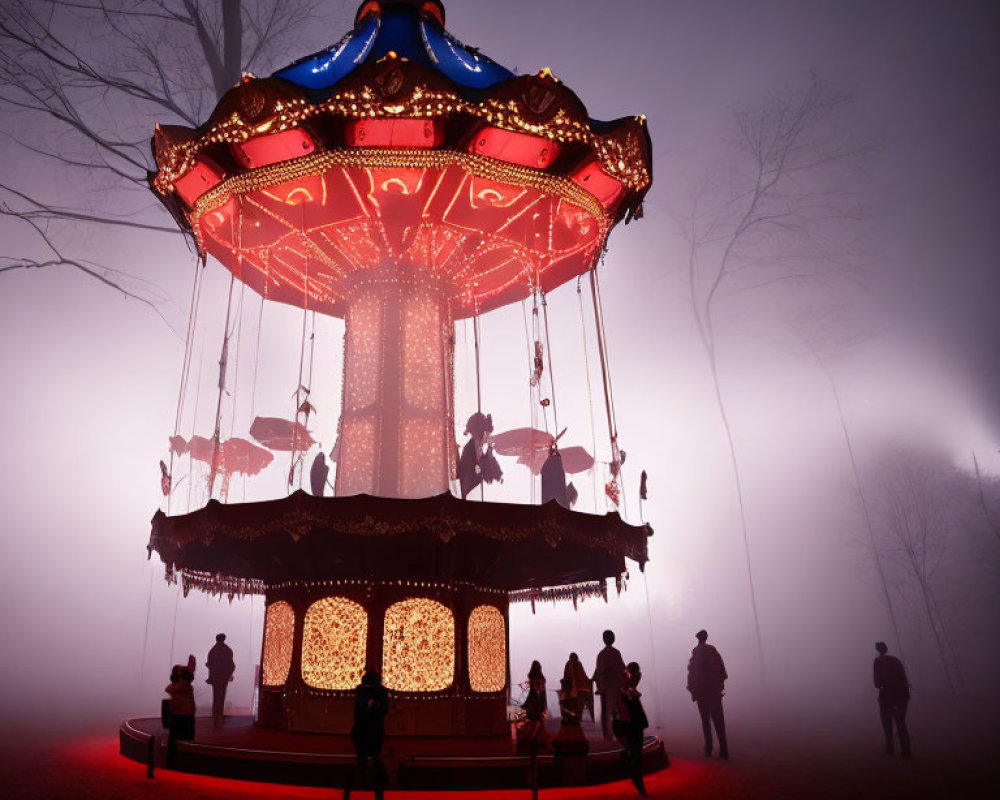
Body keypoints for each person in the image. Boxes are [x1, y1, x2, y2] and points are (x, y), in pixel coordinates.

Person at [686, 629, 728, 758]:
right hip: (714, 691)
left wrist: (693, 691)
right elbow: (722, 670)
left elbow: (691, 673)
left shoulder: (696, 653)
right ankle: (723, 749)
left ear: (698, 638)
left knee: (705, 721)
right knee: (719, 720)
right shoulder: (712, 650)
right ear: (706, 638)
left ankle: (708, 748)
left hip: (701, 692)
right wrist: (720, 686)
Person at [351, 666, 389, 800]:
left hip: (362, 730)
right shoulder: (381, 693)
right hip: (374, 730)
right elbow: (383, 711)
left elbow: (357, 712)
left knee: (362, 758)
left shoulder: (361, 692)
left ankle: (361, 783)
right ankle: (375, 786)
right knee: (373, 757)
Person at [613, 662, 649, 797]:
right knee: (636, 753)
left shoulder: (627, 685)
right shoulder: (626, 686)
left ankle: (637, 779)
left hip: (630, 721)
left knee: (635, 753)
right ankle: (638, 780)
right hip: (631, 721)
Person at [873, 641, 911, 758]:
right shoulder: (896, 660)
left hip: (887, 696)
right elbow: (904, 678)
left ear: (878, 650)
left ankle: (890, 746)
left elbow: (877, 683)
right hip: (902, 695)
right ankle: (905, 749)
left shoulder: (878, 661)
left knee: (887, 721)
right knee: (900, 722)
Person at [594, 630, 627, 740]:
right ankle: (619, 734)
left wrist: (599, 686)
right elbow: (622, 669)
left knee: (607, 714)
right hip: (615, 687)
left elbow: (599, 672)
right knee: (616, 712)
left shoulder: (602, 654)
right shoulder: (615, 653)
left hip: (606, 688)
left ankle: (609, 736)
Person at [164, 655, 196, 767]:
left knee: (174, 739)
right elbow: (189, 676)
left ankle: (172, 762)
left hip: (177, 713)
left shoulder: (175, 686)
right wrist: (191, 666)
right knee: (185, 739)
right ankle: (182, 763)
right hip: (186, 714)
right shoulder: (184, 686)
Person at [517, 661, 552, 753]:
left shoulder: (531, 678)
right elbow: (542, 693)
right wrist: (544, 704)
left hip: (532, 703)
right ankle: (538, 739)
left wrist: (525, 704)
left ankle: (531, 739)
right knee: (538, 721)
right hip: (539, 703)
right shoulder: (542, 679)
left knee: (533, 722)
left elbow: (531, 692)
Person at [206, 633, 235, 722]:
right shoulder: (228, 650)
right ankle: (219, 713)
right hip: (224, 677)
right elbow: (231, 665)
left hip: (215, 676)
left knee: (216, 695)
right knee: (222, 695)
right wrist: (229, 674)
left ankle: (215, 714)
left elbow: (210, 664)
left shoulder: (213, 650)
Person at [562, 652, 594, 722]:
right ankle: (578, 719)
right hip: (583, 688)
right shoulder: (578, 664)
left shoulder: (569, 664)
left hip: (574, 689)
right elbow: (582, 676)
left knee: (574, 706)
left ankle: (574, 719)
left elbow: (566, 676)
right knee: (580, 706)